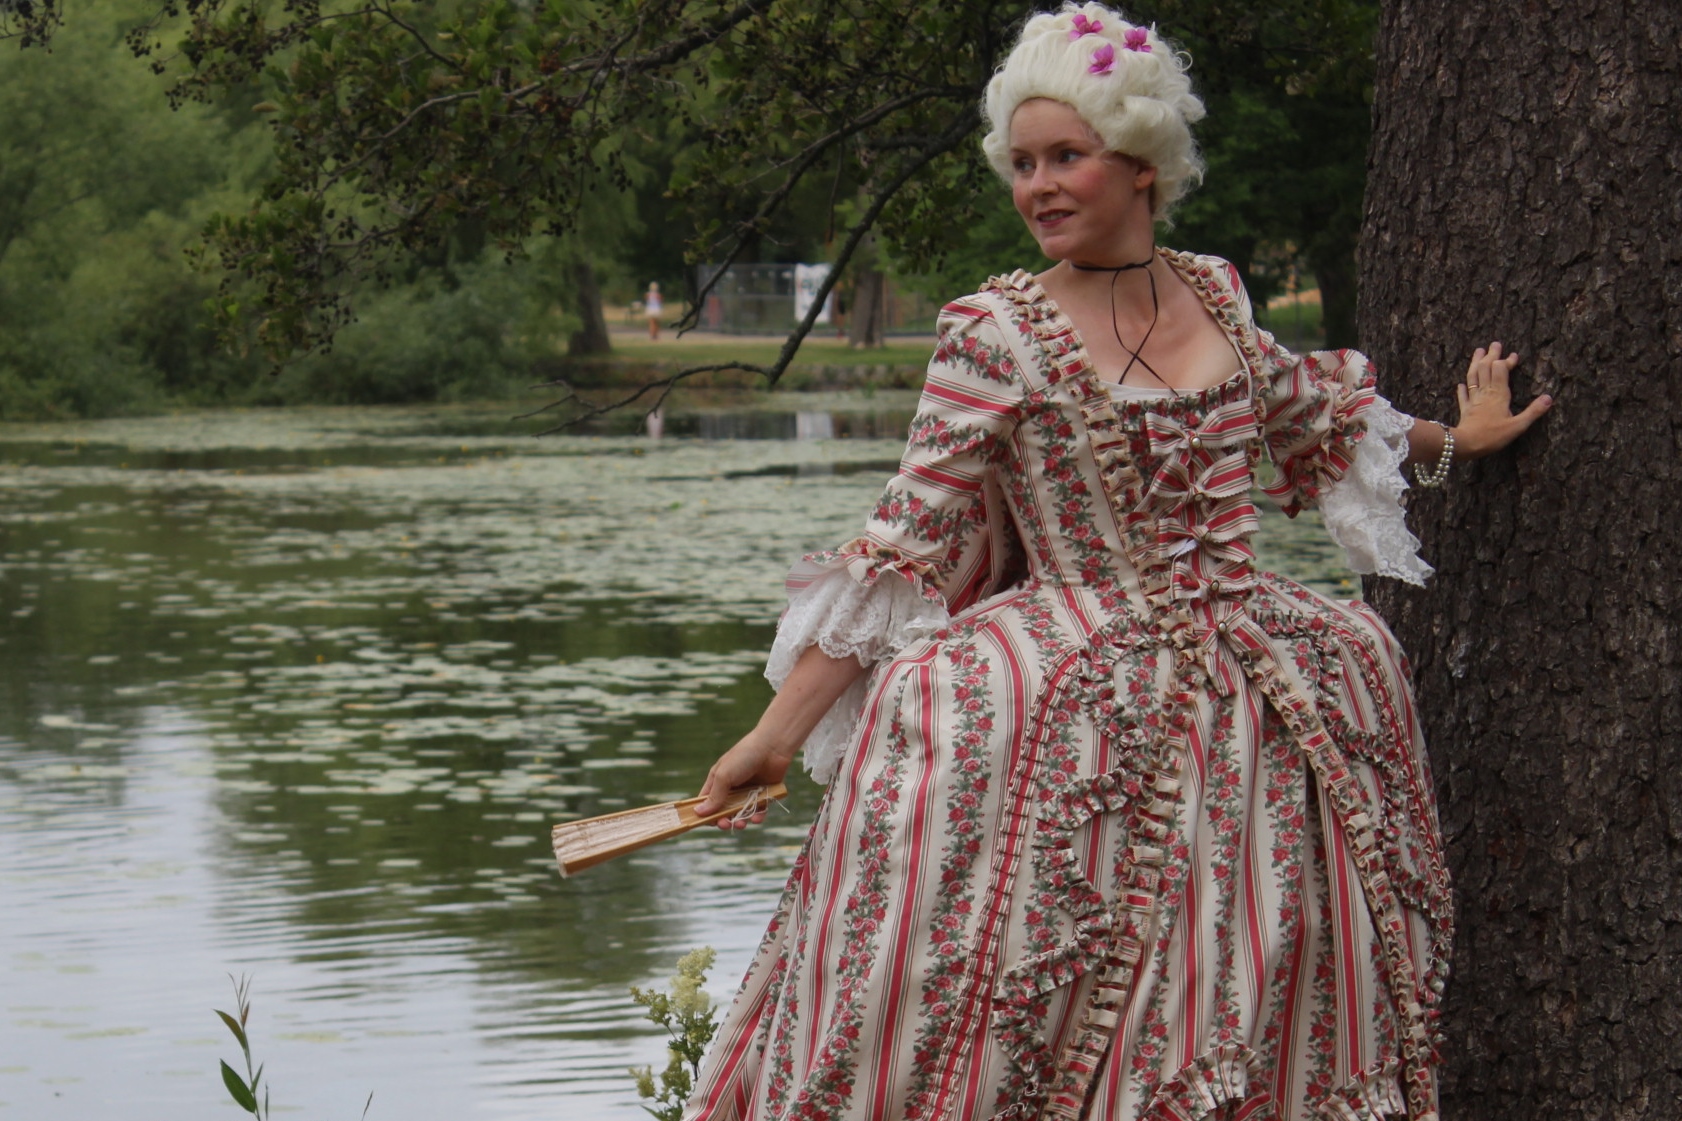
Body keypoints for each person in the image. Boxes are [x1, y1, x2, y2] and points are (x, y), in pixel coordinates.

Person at [688, 6, 1552, 1120]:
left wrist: (1455, 444)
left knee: (1250, 950)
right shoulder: (991, 333)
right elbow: (906, 542)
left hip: (1255, 679)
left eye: (1066, 157)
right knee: (1009, 959)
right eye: (1022, 163)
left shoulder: (1218, 295)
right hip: (1070, 678)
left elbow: (1316, 419)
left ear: (1140, 164)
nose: (1038, 186)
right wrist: (771, 738)